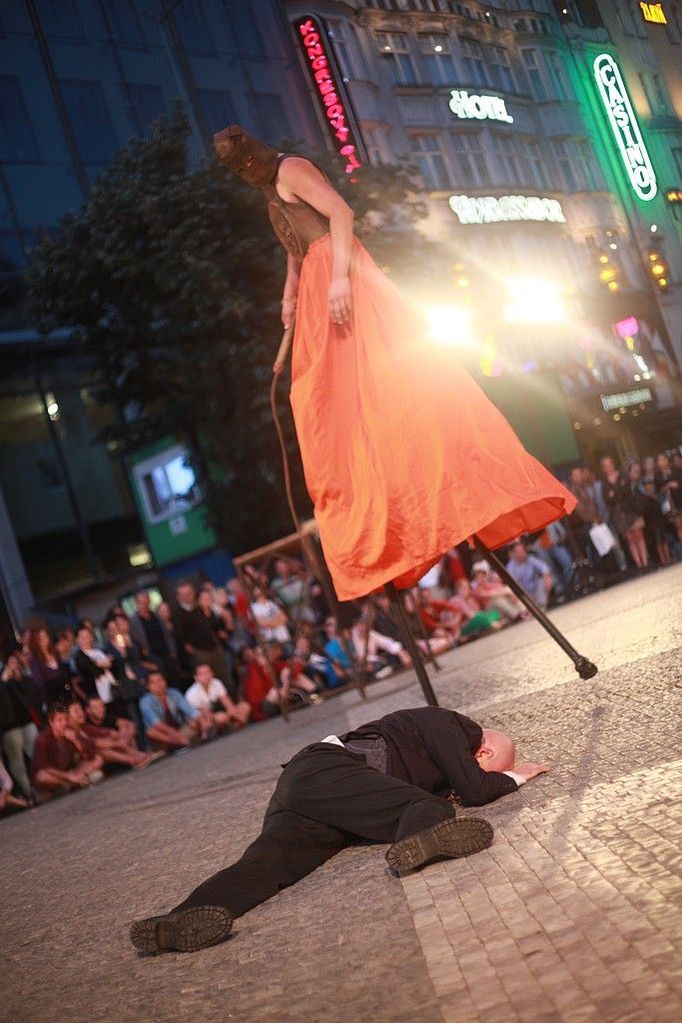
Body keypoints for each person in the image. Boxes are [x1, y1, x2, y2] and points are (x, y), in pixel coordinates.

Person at [212, 125, 575, 603]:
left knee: (381, 386)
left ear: (256, 151)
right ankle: (374, 505)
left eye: (247, 163)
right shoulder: (269, 192)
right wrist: (289, 296)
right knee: (322, 401)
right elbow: (296, 252)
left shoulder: (292, 169)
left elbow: (341, 213)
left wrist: (340, 279)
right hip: (319, 286)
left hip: (342, 277)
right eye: (239, 172)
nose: (248, 173)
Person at [130, 705, 547, 954]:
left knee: (264, 867)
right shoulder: (449, 724)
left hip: (315, 799)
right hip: (325, 768)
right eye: (491, 765)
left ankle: (173, 924)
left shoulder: (429, 745)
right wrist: (515, 778)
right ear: (484, 750)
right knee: (426, 806)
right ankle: (418, 840)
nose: (476, 773)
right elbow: (474, 790)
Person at [31, 704, 104, 800]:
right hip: (55, 776)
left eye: (65, 719)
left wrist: (76, 741)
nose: (64, 723)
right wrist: (69, 777)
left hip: (69, 772)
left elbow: (90, 755)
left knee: (98, 759)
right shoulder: (43, 738)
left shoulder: (69, 733)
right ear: (51, 722)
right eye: (59, 720)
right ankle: (74, 783)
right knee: (42, 776)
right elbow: (43, 767)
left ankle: (72, 784)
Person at [139, 671, 209, 751]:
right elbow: (157, 724)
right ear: (148, 686)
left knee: (197, 719)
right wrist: (178, 736)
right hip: (165, 735)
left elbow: (190, 711)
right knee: (151, 732)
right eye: (153, 682)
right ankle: (180, 743)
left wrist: (202, 721)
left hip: (180, 729)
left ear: (165, 681)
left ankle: (182, 743)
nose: (158, 684)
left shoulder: (174, 693)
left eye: (160, 680)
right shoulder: (144, 701)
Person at [184, 663, 250, 731]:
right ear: (196, 678)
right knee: (221, 718)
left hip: (218, 712)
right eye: (202, 674)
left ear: (212, 674)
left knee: (245, 706)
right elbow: (200, 713)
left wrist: (234, 712)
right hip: (204, 718)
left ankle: (235, 725)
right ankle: (229, 726)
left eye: (208, 672)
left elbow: (226, 701)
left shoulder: (216, 682)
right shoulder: (192, 693)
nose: (206, 676)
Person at [506, 542, 554, 608]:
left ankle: (542, 604)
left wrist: (546, 577)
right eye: (519, 551)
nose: (522, 553)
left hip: (536, 588)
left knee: (545, 580)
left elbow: (544, 567)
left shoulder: (530, 559)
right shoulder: (510, 566)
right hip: (524, 593)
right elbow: (513, 583)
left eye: (523, 550)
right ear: (514, 554)